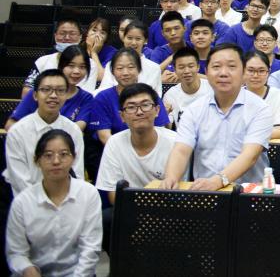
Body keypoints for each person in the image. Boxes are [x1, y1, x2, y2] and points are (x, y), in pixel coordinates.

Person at [161, 43, 273, 189]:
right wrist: (171, 177)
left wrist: (218, 181)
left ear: (244, 72)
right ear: (206, 72)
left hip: (248, 193)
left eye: (231, 66)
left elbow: (250, 156)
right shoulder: (194, 110)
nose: (223, 73)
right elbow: (181, 150)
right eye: (216, 67)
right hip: (204, 192)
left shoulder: (260, 109)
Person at [5, 130, 102, 277]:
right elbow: (16, 252)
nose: (56, 161)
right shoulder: (22, 202)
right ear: (37, 160)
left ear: (74, 158)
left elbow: (90, 248)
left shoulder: (88, 194)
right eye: (48, 155)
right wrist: (27, 269)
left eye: (63, 154)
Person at [4, 70, 86, 195]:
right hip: (28, 201)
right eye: (46, 89)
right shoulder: (17, 132)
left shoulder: (73, 130)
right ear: (35, 95)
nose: (53, 95)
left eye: (60, 90)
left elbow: (77, 175)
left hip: (66, 201)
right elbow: (19, 181)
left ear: (66, 95)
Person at [96, 83, 177, 201]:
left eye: (145, 105)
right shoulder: (114, 143)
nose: (139, 112)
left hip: (167, 206)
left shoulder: (175, 142)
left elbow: (178, 191)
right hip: (128, 208)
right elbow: (113, 194)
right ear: (122, 116)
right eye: (131, 107)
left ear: (157, 110)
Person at [90, 49, 171, 145]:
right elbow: (104, 136)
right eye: (120, 68)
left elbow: (160, 130)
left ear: (139, 69)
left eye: (131, 67)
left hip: (149, 148)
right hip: (114, 150)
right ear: (112, 71)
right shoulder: (102, 98)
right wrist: (126, 152)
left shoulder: (150, 95)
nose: (125, 73)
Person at [6, 46, 94, 132]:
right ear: (61, 66)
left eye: (82, 67)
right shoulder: (38, 92)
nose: (76, 71)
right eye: (71, 66)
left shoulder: (86, 98)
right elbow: (11, 125)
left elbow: (78, 129)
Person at [22, 17, 93, 97]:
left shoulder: (91, 64)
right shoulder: (42, 61)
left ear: (80, 36)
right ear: (55, 36)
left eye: (72, 34)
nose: (67, 37)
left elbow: (88, 95)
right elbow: (27, 90)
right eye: (62, 33)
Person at [97, 21, 162, 94]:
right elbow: (104, 90)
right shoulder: (111, 64)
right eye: (129, 38)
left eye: (138, 39)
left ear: (145, 40)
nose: (133, 43)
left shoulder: (154, 68)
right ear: (123, 38)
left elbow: (156, 95)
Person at [242, 50, 280, 140]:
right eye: (251, 70)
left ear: (268, 72)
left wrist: (243, 135)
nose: (255, 75)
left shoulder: (279, 96)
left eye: (261, 71)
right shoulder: (234, 96)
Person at [162, 48, 213, 126]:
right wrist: (165, 116)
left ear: (198, 67)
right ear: (175, 69)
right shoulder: (170, 95)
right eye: (181, 67)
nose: (187, 71)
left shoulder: (212, 89)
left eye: (191, 66)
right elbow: (168, 128)